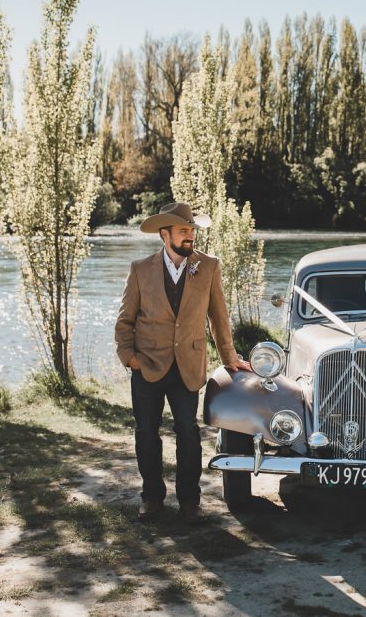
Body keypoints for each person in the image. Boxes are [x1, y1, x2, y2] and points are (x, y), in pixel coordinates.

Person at [115, 202, 251, 522]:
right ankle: (152, 497)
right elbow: (125, 320)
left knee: (188, 433)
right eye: (183, 231)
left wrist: (229, 356)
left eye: (192, 230)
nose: (190, 235)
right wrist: (129, 357)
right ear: (165, 235)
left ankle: (190, 500)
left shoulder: (209, 266)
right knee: (146, 433)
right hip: (147, 364)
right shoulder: (140, 269)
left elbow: (219, 317)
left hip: (188, 365)